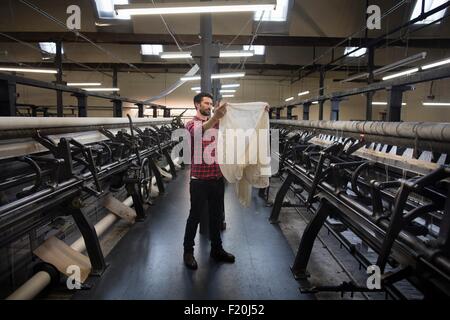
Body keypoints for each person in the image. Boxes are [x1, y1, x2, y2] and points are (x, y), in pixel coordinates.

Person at [182, 92, 235, 270]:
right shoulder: (190, 124)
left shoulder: (218, 123)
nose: (209, 106)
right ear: (197, 104)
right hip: (199, 181)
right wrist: (216, 117)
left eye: (211, 103)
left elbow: (235, 121)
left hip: (216, 180)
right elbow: (199, 132)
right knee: (194, 217)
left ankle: (217, 250)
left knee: (216, 217)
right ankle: (188, 252)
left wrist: (260, 111)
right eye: (206, 103)